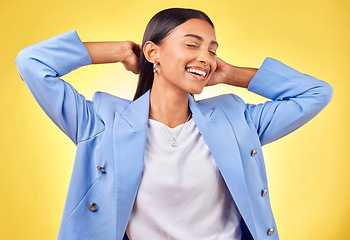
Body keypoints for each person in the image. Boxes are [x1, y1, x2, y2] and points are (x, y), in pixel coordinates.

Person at [15, 8, 332, 240]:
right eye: (192, 45)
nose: (205, 57)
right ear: (153, 52)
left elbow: (316, 93)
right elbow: (31, 63)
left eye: (211, 50)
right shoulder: (101, 123)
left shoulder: (236, 120)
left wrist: (232, 73)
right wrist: (119, 51)